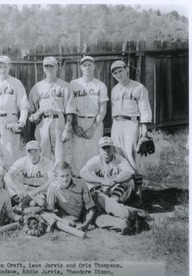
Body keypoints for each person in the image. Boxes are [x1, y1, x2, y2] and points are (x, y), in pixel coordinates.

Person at [47, 162, 149, 234]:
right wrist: (63, 220)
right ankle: (133, 221)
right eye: (62, 176)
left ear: (71, 174)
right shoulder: (53, 189)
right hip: (88, 215)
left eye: (67, 175)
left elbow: (92, 207)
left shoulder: (80, 183)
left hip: (99, 200)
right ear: (56, 177)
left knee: (125, 213)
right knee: (123, 226)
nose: (65, 179)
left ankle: (136, 213)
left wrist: (86, 225)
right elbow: (50, 211)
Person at [110, 60, 152, 203]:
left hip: (131, 124)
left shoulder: (138, 87)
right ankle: (124, 189)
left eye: (120, 71)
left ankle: (138, 191)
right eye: (115, 73)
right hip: (117, 124)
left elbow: (145, 109)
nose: (118, 74)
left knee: (133, 157)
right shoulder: (114, 89)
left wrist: (144, 132)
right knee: (118, 156)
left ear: (127, 69)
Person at [65, 56, 109, 177]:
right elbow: (70, 107)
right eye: (85, 65)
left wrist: (93, 128)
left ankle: (93, 186)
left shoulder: (100, 85)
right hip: (78, 122)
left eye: (90, 64)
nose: (87, 67)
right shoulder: (73, 84)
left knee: (94, 155)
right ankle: (78, 185)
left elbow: (103, 110)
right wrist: (74, 126)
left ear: (94, 66)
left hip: (94, 122)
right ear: (81, 67)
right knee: (77, 156)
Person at [28, 56, 71, 163]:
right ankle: (46, 179)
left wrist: (67, 129)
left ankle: (59, 179)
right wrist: (34, 118)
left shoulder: (65, 86)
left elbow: (70, 110)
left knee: (60, 157)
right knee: (43, 155)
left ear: (57, 67)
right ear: (43, 68)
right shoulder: (37, 87)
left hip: (59, 121)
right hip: (43, 122)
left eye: (51, 66)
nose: (49, 69)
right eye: (46, 66)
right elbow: (30, 111)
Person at [80, 136, 135, 204]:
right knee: (86, 182)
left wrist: (114, 180)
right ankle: (105, 201)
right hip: (101, 187)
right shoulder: (95, 160)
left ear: (113, 148)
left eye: (108, 147)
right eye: (103, 147)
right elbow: (83, 172)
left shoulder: (120, 159)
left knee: (127, 182)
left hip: (116, 187)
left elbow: (130, 173)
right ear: (99, 150)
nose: (106, 150)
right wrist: (102, 181)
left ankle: (110, 202)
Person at [4, 140, 55, 208]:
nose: (33, 155)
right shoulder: (22, 161)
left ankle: (25, 203)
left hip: (41, 190)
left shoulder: (47, 162)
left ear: (40, 151)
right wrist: (17, 188)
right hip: (25, 190)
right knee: (9, 185)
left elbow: (53, 179)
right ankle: (27, 202)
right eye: (30, 151)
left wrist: (37, 190)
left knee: (35, 202)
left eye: (35, 151)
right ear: (26, 152)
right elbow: (7, 176)